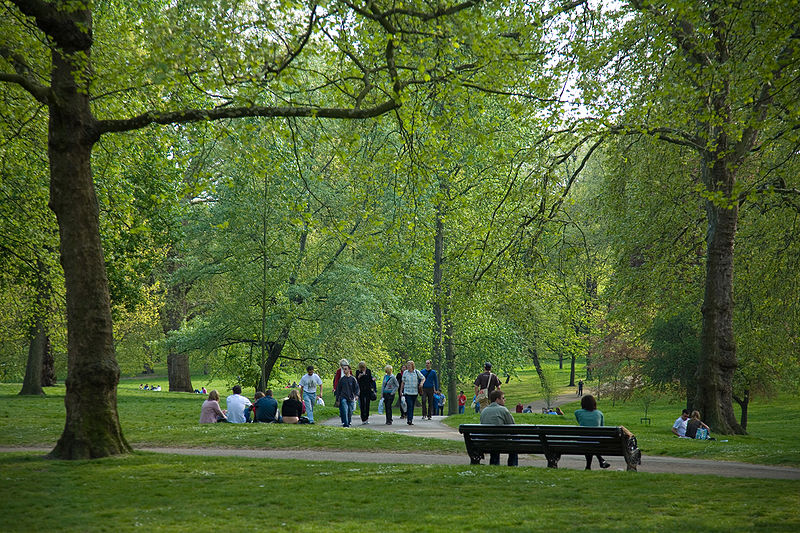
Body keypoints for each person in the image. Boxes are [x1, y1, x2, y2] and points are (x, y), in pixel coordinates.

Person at [480, 389, 518, 466]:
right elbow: (512, 426)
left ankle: (494, 464)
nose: (505, 400)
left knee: (494, 440)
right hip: (500, 442)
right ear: (497, 399)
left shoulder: (484, 411)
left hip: (486, 442)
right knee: (515, 441)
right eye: (503, 398)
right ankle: (512, 465)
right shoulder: (503, 410)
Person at [574, 394, 611, 470]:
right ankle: (601, 460)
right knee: (592, 442)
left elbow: (580, 421)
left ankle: (589, 466)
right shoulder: (599, 413)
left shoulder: (577, 412)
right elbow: (601, 427)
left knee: (588, 442)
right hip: (596, 441)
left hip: (583, 441)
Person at [400, 360, 425, 425]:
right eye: (407, 365)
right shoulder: (405, 372)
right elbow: (403, 382)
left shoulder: (416, 372)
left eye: (409, 365)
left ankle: (410, 418)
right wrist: (401, 390)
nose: (407, 366)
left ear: (412, 366)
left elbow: (423, 378)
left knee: (412, 406)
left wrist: (421, 383)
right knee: (409, 405)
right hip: (407, 392)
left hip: (414, 392)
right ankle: (409, 419)